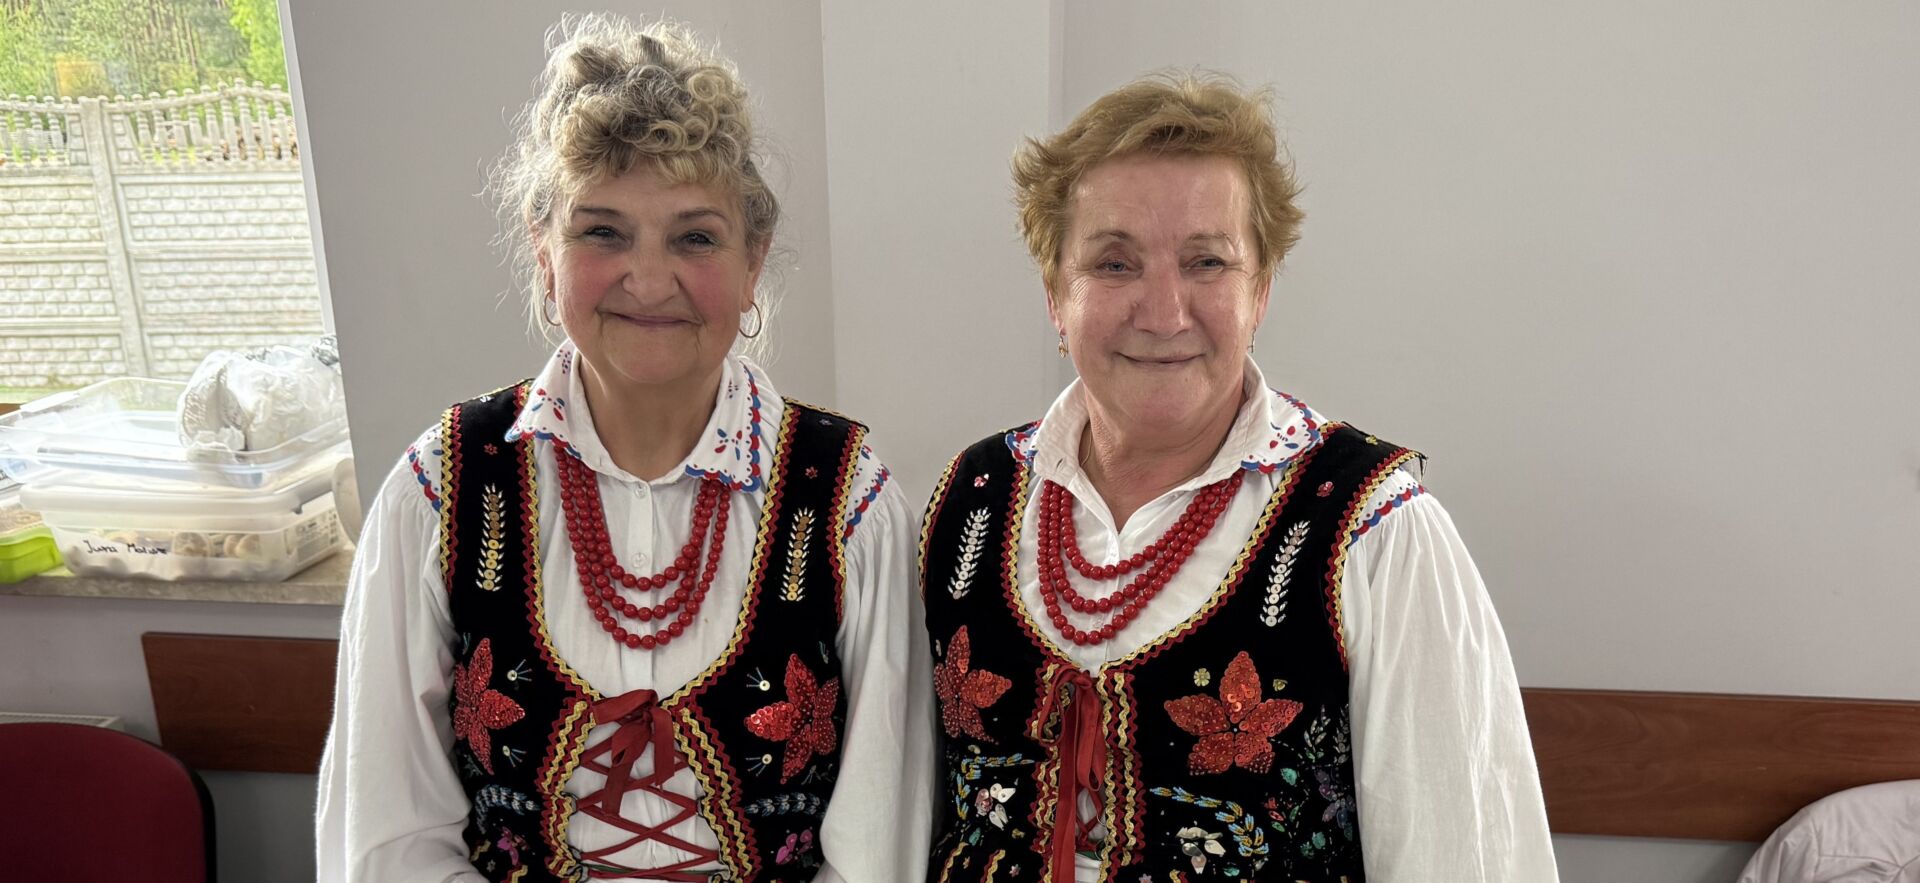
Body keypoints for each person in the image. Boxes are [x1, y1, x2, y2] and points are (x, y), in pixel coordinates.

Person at [316, 15, 930, 882]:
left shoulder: (847, 502)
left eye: (695, 236)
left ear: (753, 262)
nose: (647, 279)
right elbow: (388, 839)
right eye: (602, 232)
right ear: (544, 250)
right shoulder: (442, 489)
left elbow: (878, 843)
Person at [918, 73, 1559, 882]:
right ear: (1055, 294)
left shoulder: (1377, 528)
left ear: (1260, 292)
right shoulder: (971, 500)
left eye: (1207, 261)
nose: (1163, 311)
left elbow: (1465, 859)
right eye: (1114, 263)